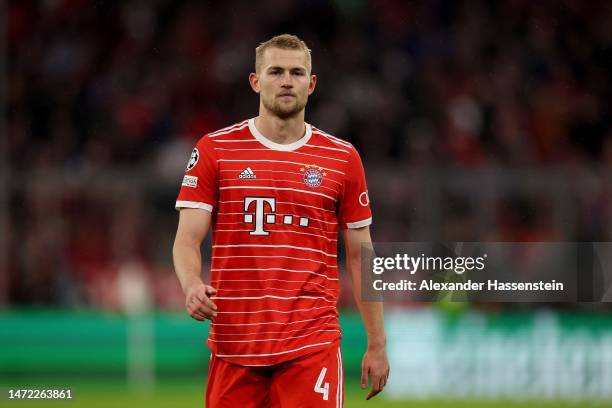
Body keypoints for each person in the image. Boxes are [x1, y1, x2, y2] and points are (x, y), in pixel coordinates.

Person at [172, 33, 389, 407]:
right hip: (234, 345)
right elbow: (187, 239)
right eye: (275, 72)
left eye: (296, 72)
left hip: (311, 344)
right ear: (256, 81)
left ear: (311, 82)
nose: (286, 81)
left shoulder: (342, 158)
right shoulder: (216, 150)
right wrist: (191, 283)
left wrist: (377, 344)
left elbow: (360, 256)